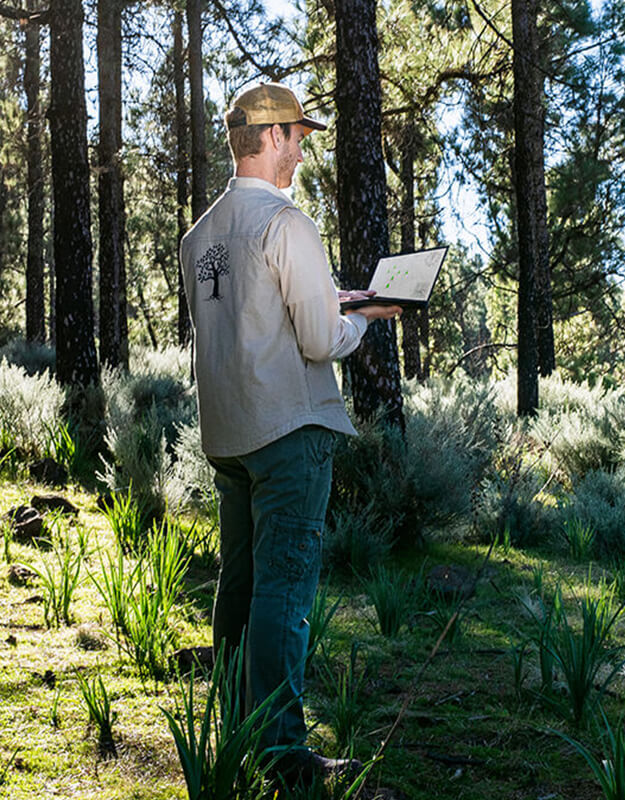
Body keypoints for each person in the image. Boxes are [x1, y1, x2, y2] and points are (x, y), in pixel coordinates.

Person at [179, 81, 401, 783]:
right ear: (270, 136)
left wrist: (332, 298)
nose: (303, 150)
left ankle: (235, 731)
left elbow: (251, 311)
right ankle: (283, 757)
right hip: (289, 429)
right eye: (299, 136)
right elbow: (320, 338)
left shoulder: (200, 235)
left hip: (231, 435)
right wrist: (366, 317)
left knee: (240, 585)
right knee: (285, 593)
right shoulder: (286, 223)